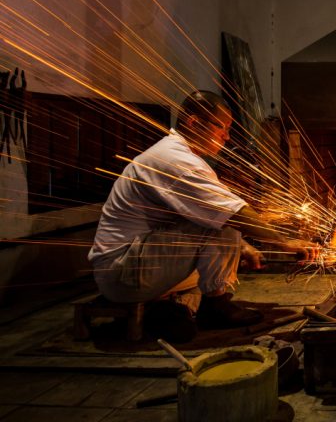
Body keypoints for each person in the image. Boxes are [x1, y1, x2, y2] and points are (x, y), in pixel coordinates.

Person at [88, 90, 311, 342]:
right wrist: (285, 241)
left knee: (221, 212)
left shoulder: (181, 155)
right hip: (124, 274)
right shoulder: (174, 159)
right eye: (221, 128)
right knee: (226, 212)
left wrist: (242, 245)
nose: (226, 137)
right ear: (193, 122)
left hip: (135, 267)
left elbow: (197, 216)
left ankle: (174, 310)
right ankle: (216, 305)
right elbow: (229, 213)